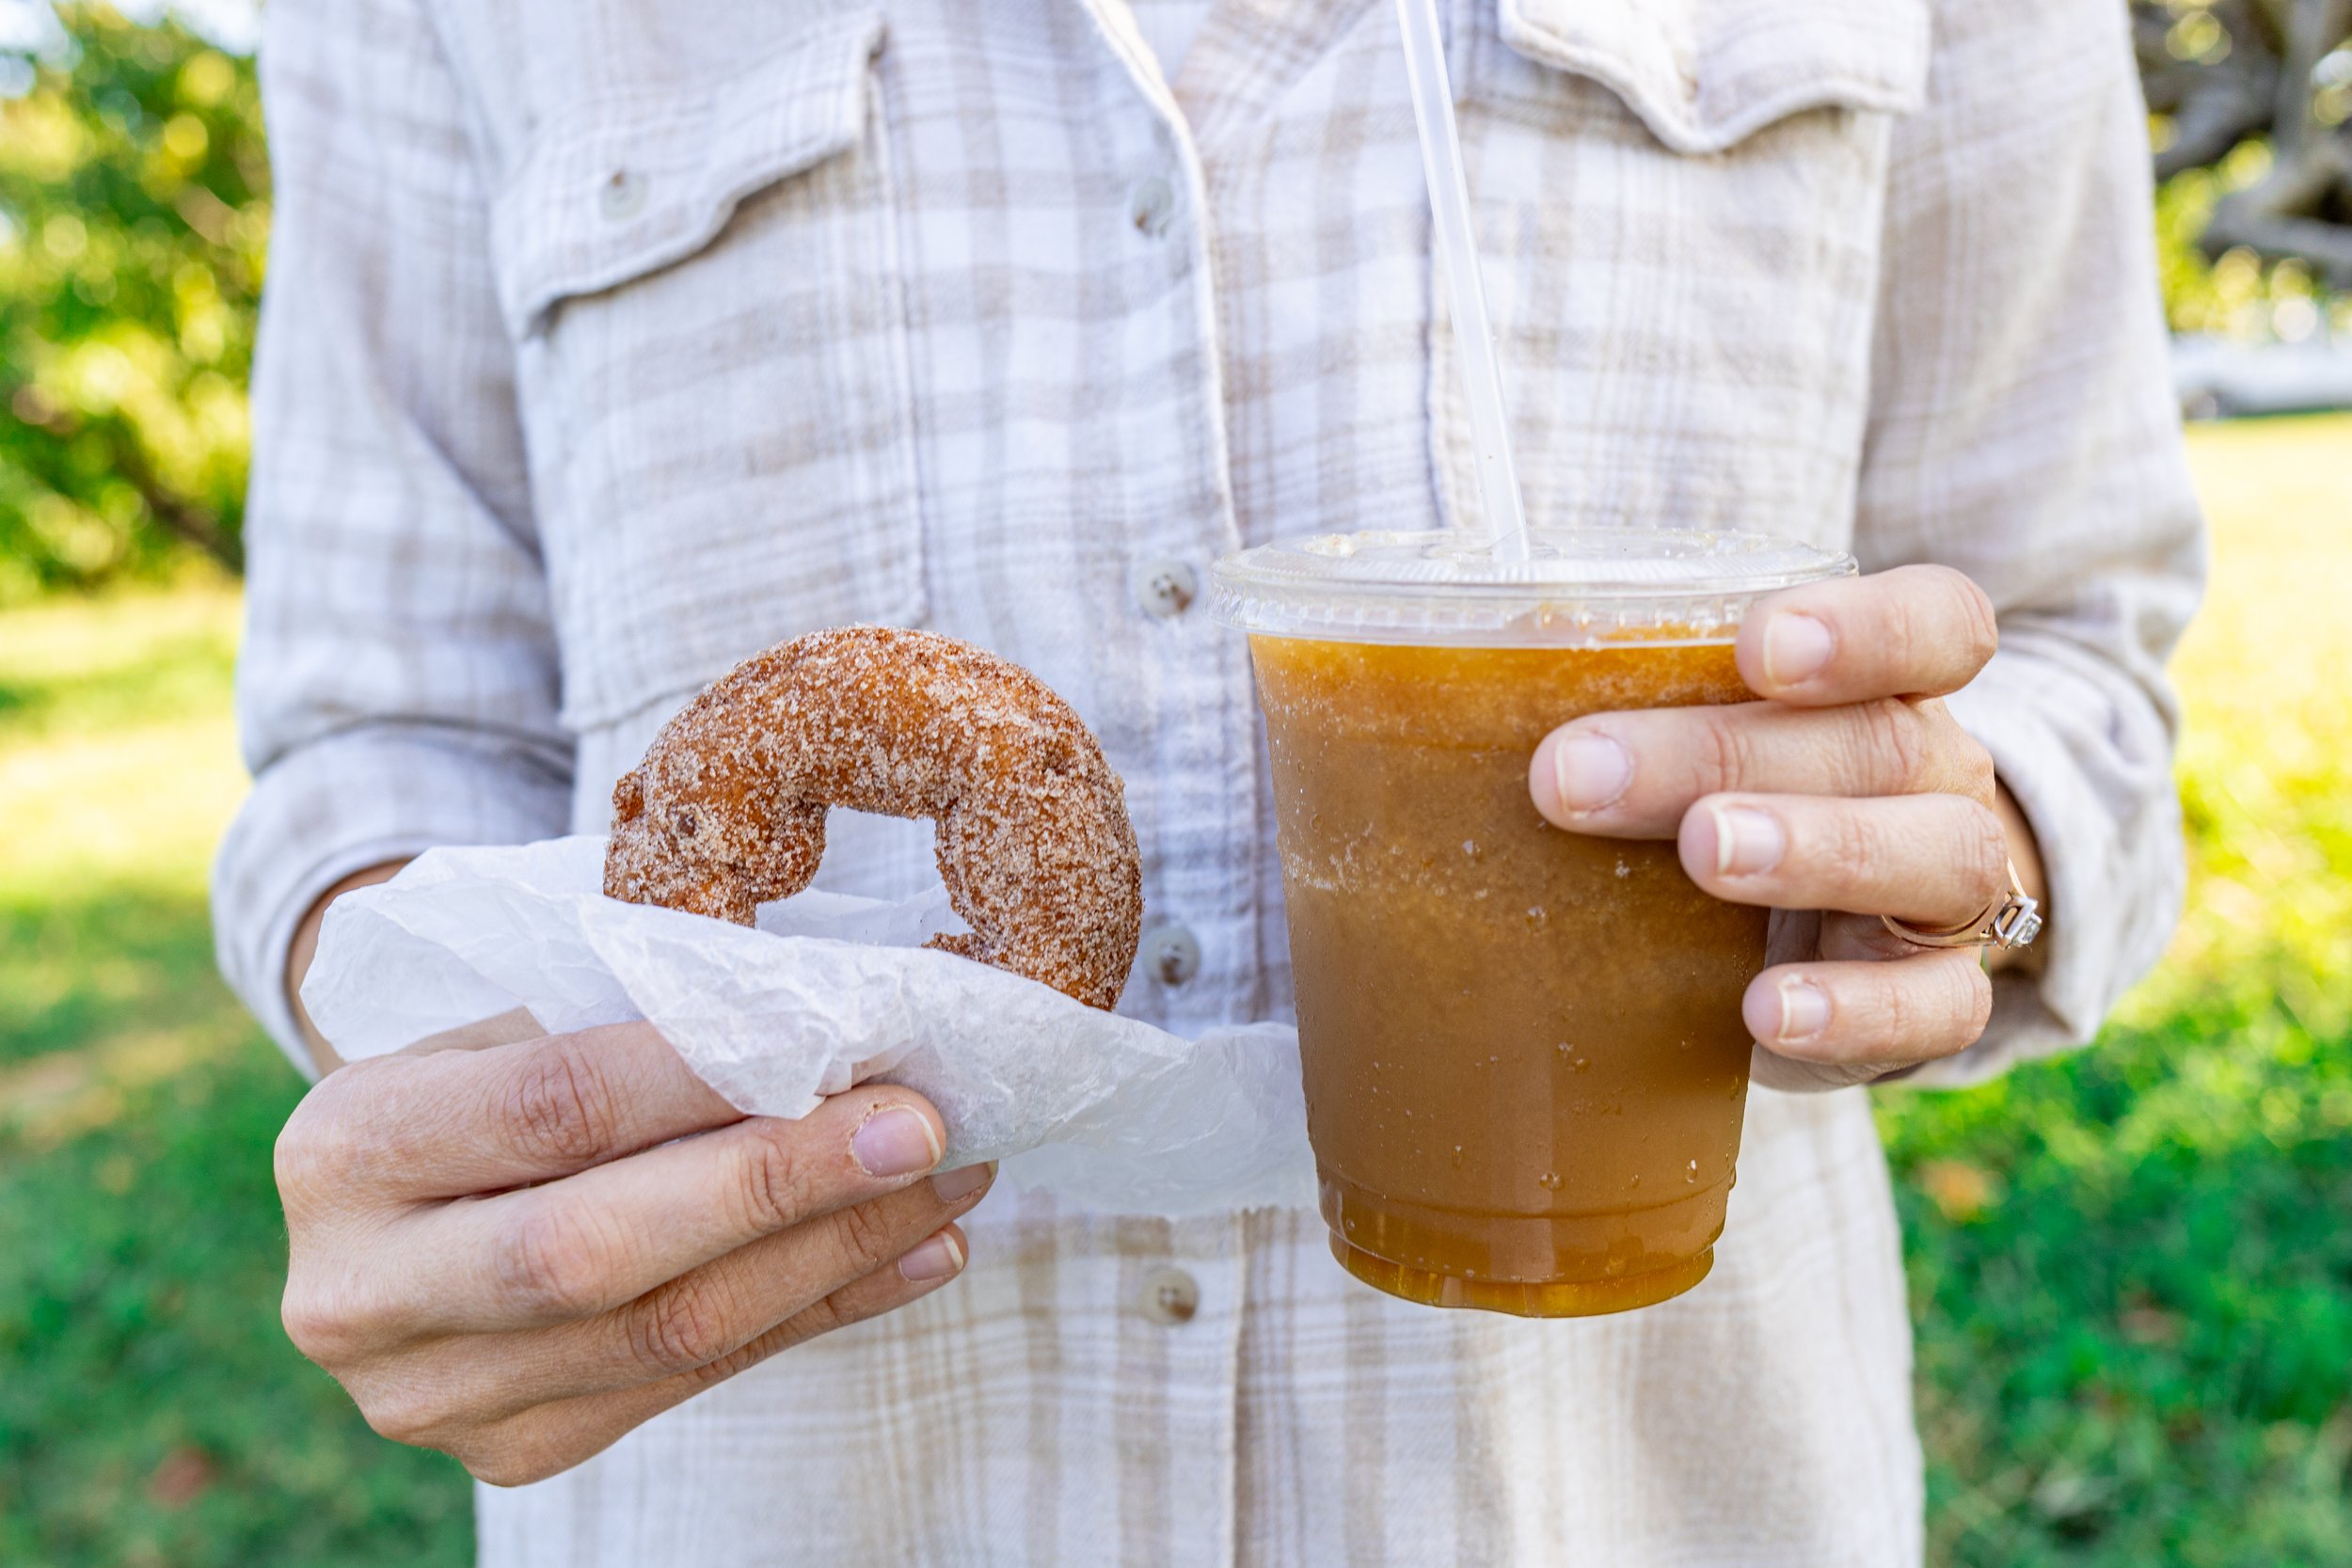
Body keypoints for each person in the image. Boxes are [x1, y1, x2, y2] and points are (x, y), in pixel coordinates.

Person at [212, 0, 2203, 1562]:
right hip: (769, 1490)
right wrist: (443, 1083)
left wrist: (1970, 834)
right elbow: (364, 744)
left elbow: (2076, 657)